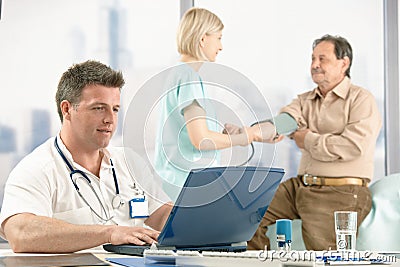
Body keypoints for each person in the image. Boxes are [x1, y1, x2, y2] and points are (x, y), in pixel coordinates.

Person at [0, 60, 172, 253]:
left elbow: (163, 214)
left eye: (115, 109)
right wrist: (109, 233)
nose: (110, 119)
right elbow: (20, 233)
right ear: (67, 109)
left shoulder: (128, 161)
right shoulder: (37, 169)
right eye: (98, 108)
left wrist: (195, 219)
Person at [247, 34, 382, 250]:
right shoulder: (305, 99)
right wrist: (250, 132)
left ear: (344, 63)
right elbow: (286, 120)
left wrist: (307, 139)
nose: (314, 65)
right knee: (248, 213)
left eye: (322, 59)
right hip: (300, 186)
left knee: (323, 257)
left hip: (340, 192)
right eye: (312, 59)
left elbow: (353, 146)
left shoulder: (361, 99)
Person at [154, 7, 277, 200]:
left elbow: (191, 136)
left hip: (181, 182)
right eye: (219, 38)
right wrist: (246, 137)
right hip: (187, 185)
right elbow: (201, 140)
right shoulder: (188, 77)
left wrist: (222, 136)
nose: (221, 46)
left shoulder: (180, 74)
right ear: (203, 39)